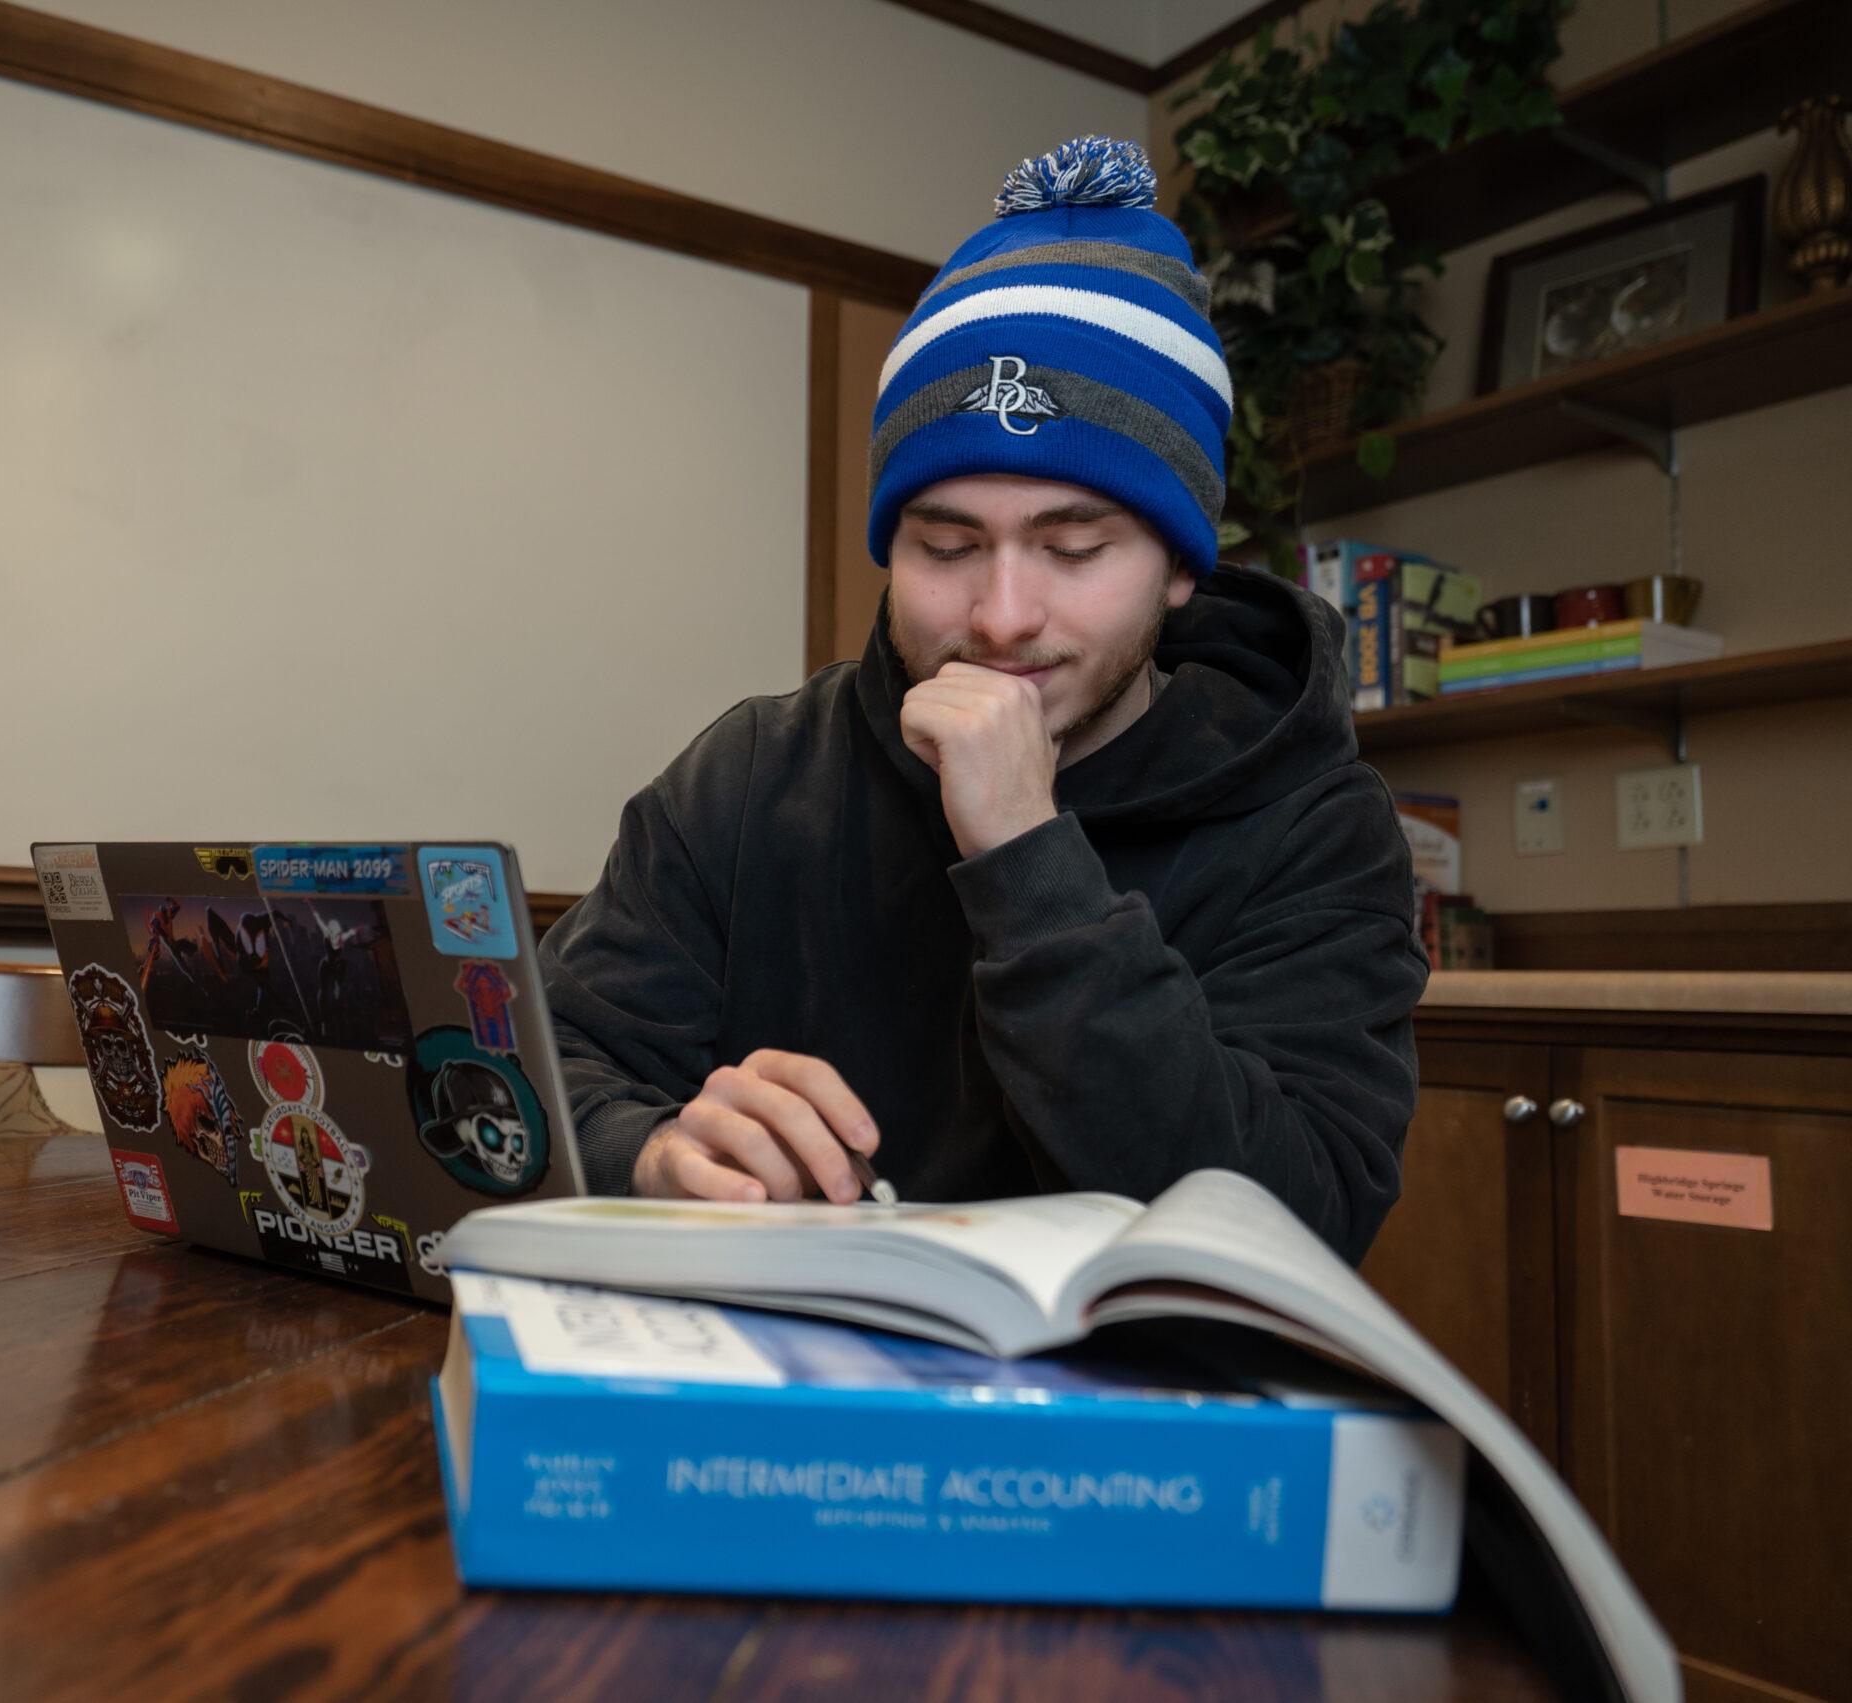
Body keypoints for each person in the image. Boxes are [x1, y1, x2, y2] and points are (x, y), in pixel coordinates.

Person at [538, 136, 1429, 1263]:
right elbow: (541, 1077)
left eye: (1073, 547)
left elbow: (1290, 1229)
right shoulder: (756, 770)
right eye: (947, 546)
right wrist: (652, 1154)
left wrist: (1026, 856)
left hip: (1128, 1376)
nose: (1003, 616)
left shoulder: (1314, 821)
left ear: (1179, 565)